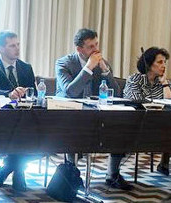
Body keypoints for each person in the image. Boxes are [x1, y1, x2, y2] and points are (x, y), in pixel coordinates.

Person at [54, 28, 132, 191]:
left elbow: (116, 92)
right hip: (70, 114)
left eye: (96, 44)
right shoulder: (64, 63)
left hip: (95, 113)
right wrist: (88, 67)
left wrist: (105, 70)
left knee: (122, 126)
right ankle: (72, 174)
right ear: (79, 49)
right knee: (73, 129)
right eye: (91, 46)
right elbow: (70, 91)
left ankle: (113, 174)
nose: (96, 49)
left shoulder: (102, 63)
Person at [122, 47, 171, 195]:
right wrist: (153, 102)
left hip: (161, 125)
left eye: (164, 62)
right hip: (138, 126)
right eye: (159, 62)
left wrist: (165, 83)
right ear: (148, 64)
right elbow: (133, 100)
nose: (163, 66)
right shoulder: (135, 79)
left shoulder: (164, 83)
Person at [0, 31, 35, 191]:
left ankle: (7, 168)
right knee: (22, 134)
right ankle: (18, 172)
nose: (17, 48)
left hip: (25, 116)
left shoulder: (26, 68)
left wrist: (27, 93)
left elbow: (33, 92)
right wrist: (9, 94)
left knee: (39, 135)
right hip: (2, 118)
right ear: (0, 48)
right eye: (12, 45)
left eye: (18, 44)